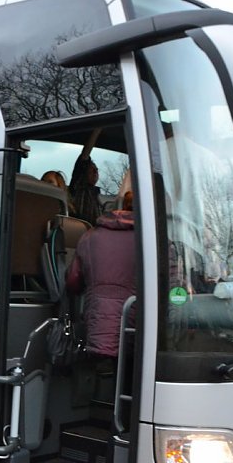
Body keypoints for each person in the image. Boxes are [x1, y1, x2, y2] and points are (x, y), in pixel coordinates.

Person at [66, 191, 136, 366]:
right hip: (137, 331)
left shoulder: (90, 236)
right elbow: (172, 290)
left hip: (97, 328)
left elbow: (73, 282)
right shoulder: (154, 240)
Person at [68, 128, 103, 224]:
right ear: (84, 172)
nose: (95, 172)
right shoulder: (77, 186)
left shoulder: (98, 198)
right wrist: (97, 130)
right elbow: (85, 154)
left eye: (97, 170)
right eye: (92, 169)